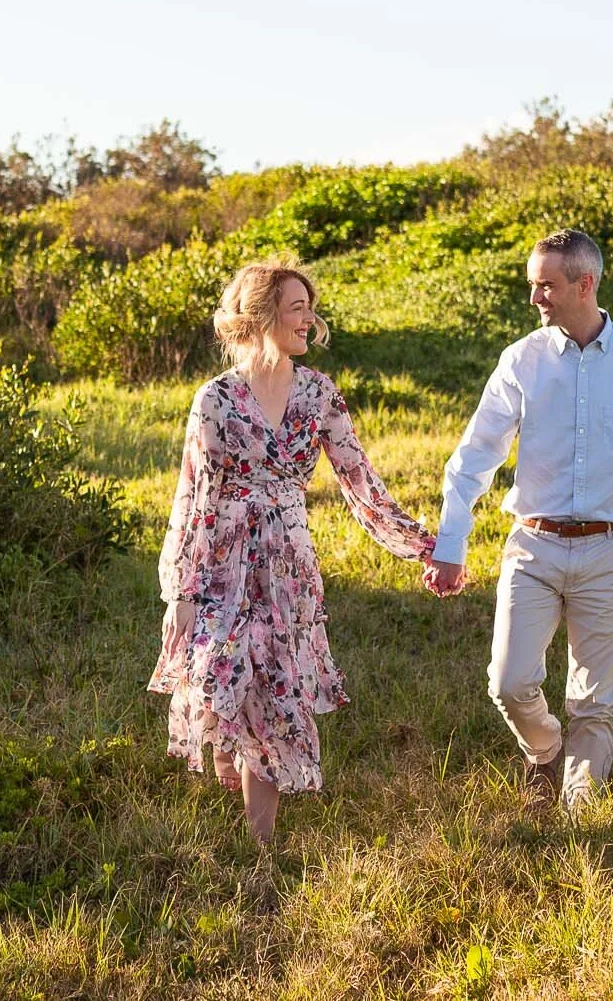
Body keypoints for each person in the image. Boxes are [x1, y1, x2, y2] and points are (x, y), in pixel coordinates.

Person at [149, 260, 438, 843]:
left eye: (310, 307)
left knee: (278, 694)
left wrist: (424, 545)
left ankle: (262, 843)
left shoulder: (319, 394)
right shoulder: (216, 400)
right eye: (296, 307)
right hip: (224, 564)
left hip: (288, 565)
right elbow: (194, 497)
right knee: (219, 677)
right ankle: (228, 749)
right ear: (261, 315)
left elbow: (361, 481)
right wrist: (180, 591)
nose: (309, 319)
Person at [423, 229, 613, 811]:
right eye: (533, 285)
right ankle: (547, 752)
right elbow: (475, 455)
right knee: (508, 682)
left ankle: (584, 814)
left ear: (586, 284)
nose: (536, 299)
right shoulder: (520, 360)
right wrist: (451, 542)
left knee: (594, 703)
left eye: (546, 286)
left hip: (610, 551)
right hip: (534, 547)